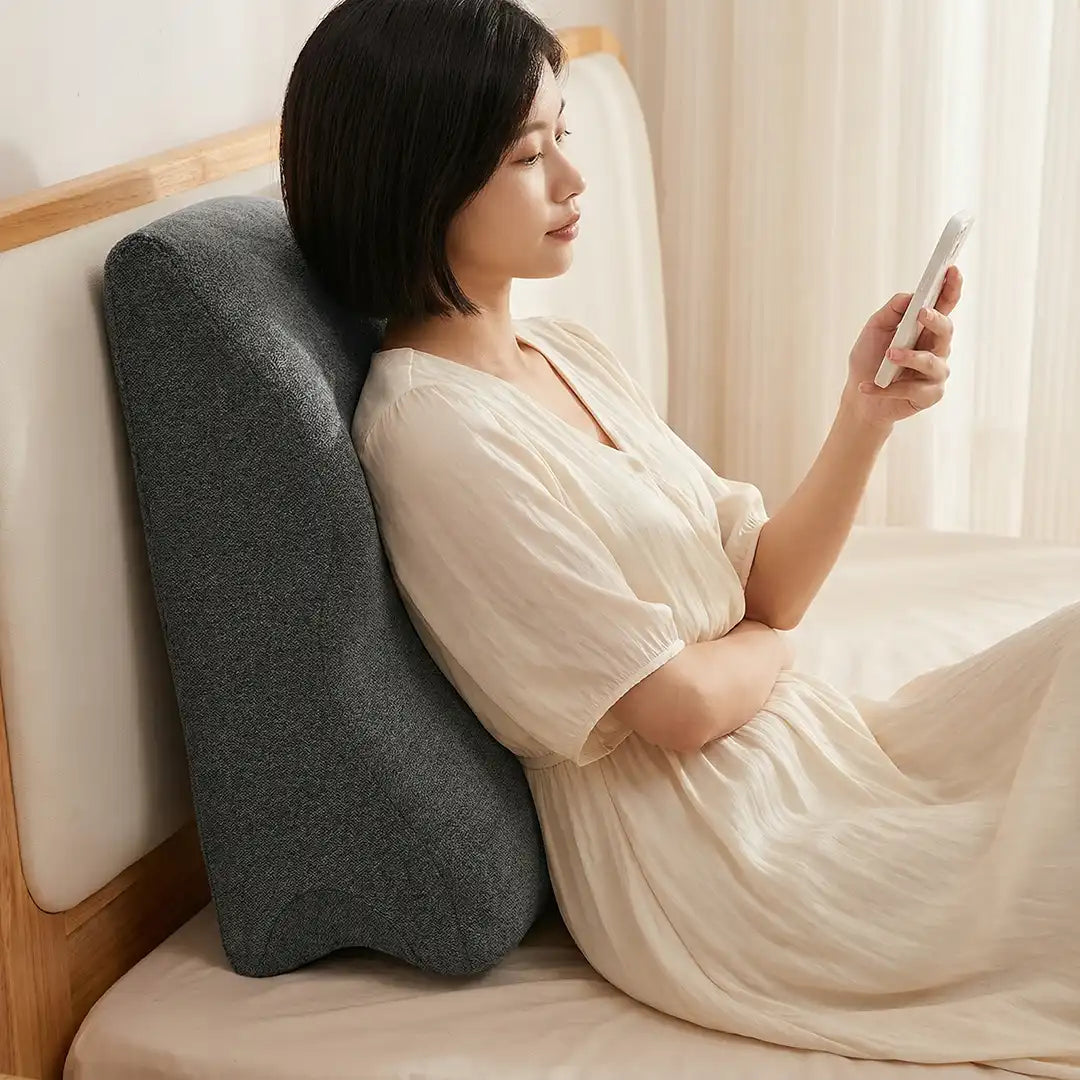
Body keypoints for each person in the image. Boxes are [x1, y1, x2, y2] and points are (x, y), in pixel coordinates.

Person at [280, 1, 1080, 1074]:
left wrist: (864, 415)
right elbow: (680, 705)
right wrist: (770, 650)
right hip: (720, 856)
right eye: (528, 154)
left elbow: (767, 587)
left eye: (566, 134)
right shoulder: (430, 433)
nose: (572, 179)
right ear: (419, 179)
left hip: (814, 762)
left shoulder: (566, 353)